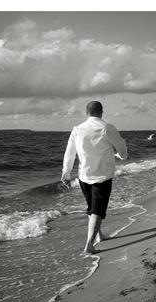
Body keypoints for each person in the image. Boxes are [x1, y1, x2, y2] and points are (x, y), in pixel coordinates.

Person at [61, 101, 128, 254]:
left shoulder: (77, 130)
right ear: (101, 112)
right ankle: (89, 245)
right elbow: (123, 152)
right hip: (102, 176)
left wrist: (66, 174)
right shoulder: (107, 128)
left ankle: (99, 235)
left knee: (93, 208)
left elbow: (69, 154)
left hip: (84, 176)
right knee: (97, 210)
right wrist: (120, 155)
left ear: (87, 112)